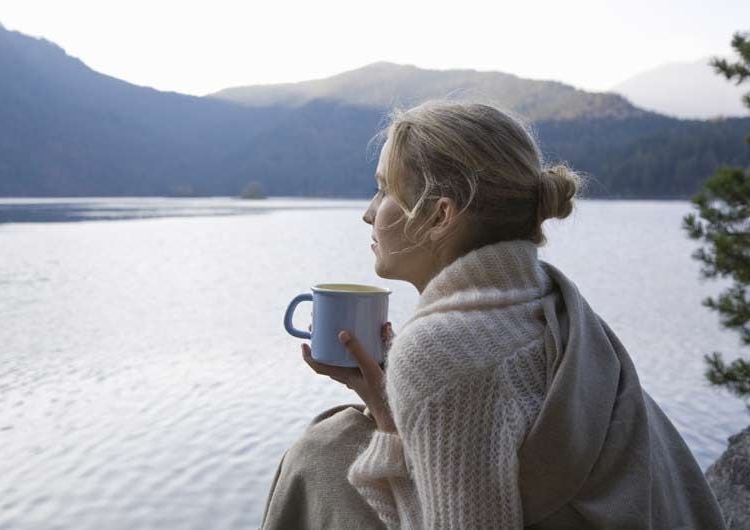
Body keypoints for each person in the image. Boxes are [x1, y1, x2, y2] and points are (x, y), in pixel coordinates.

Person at [260, 100, 727, 529]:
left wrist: (392, 421)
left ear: (440, 216)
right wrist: (387, 407)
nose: (368, 213)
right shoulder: (545, 299)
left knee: (320, 456)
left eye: (383, 191)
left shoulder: (441, 352)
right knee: (341, 431)